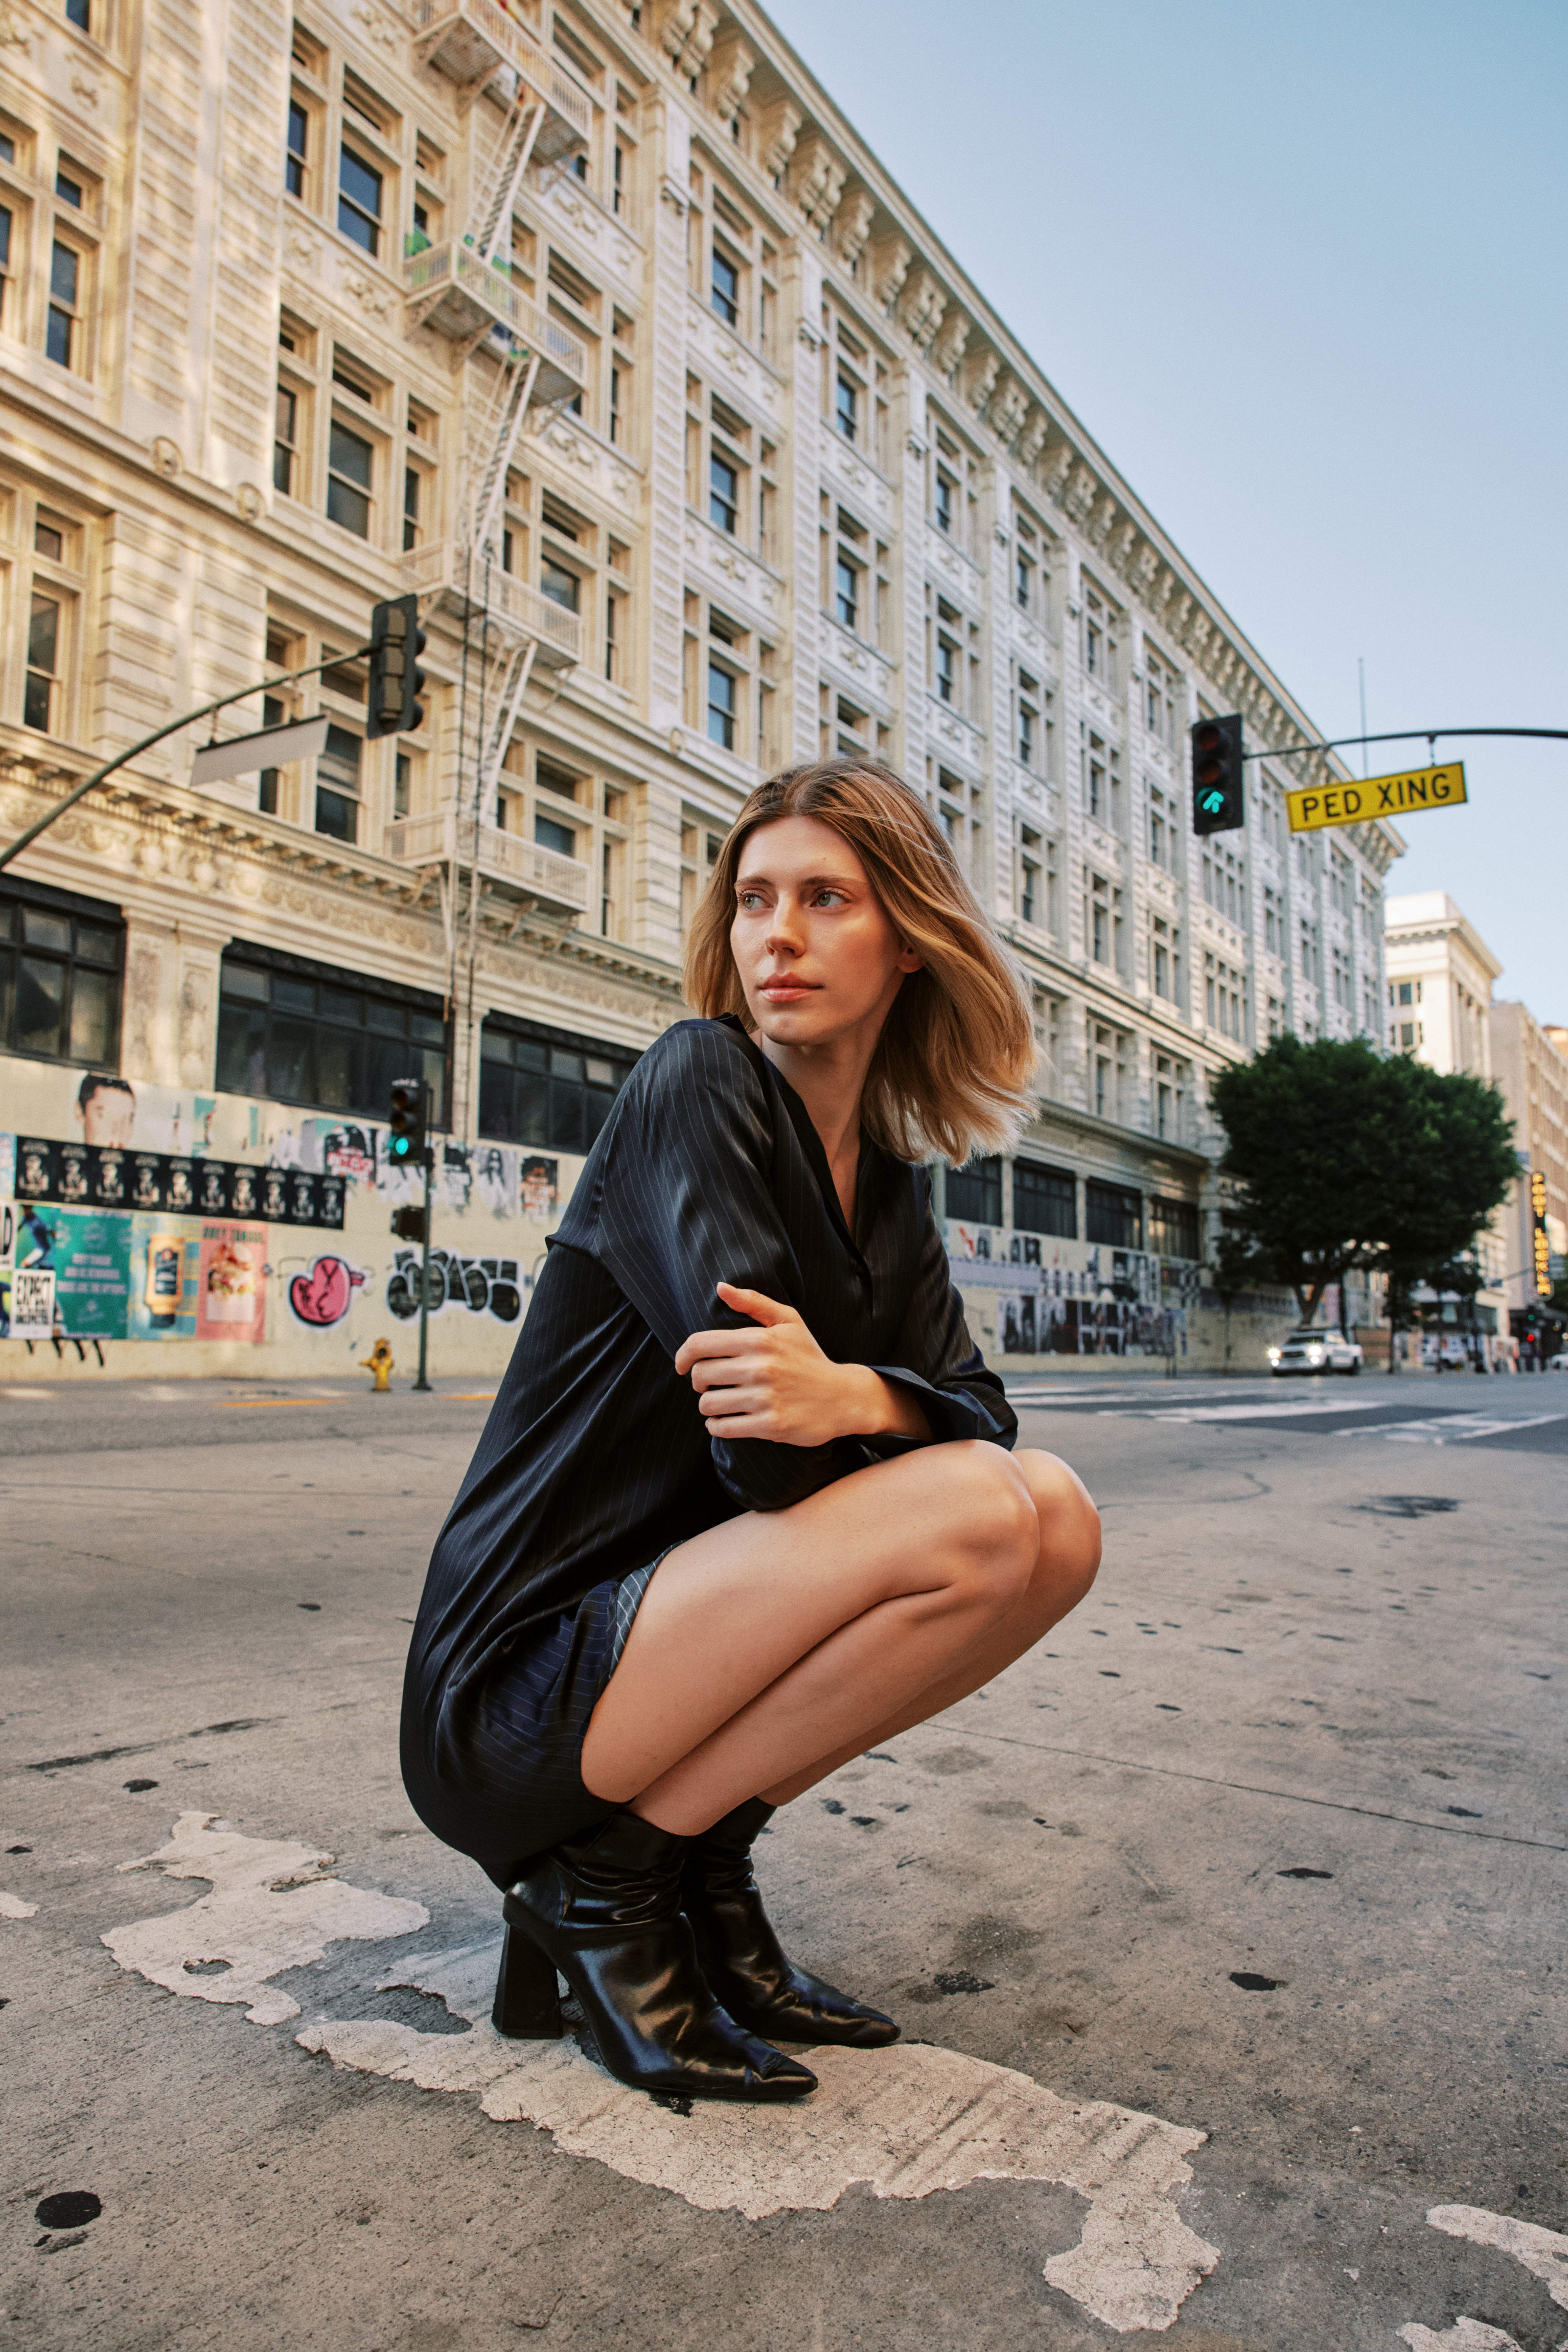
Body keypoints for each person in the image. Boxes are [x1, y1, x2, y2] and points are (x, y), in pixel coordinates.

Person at [400, 759, 1102, 2106]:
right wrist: (877, 1419)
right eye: (753, 898)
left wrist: (862, 1396)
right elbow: (770, 1467)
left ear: (910, 938)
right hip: (518, 1687)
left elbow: (978, 1417)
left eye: (827, 899)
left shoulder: (888, 1188)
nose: (774, 934)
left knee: (1054, 1520)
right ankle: (601, 1890)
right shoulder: (695, 1081)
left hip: (673, 1663)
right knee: (989, 1505)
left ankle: (697, 1874)